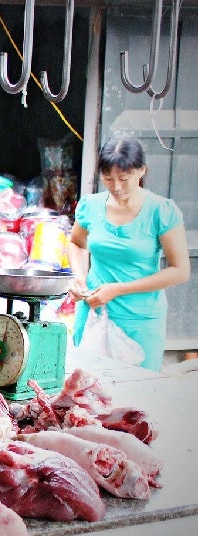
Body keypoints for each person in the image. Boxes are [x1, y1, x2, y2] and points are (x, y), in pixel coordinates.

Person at [67, 135, 190, 371]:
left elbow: (180, 271)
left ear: (141, 171)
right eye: (108, 178)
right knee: (85, 393)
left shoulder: (161, 211)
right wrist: (79, 277)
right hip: (93, 312)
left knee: (137, 396)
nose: (116, 187)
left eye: (124, 178)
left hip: (140, 320)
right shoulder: (90, 206)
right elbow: (77, 244)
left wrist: (118, 289)